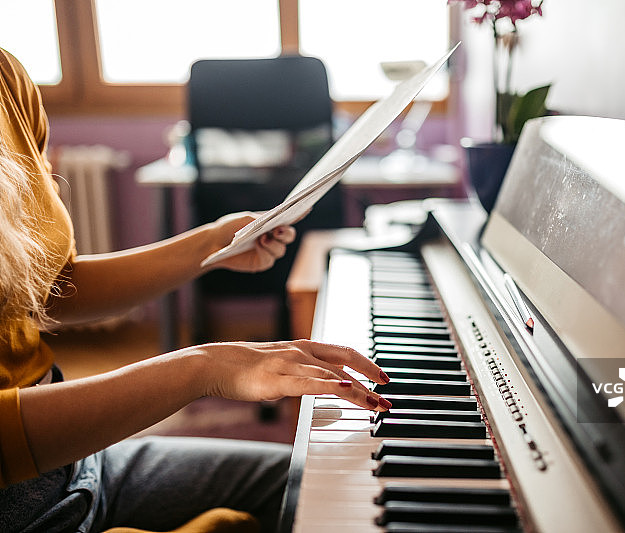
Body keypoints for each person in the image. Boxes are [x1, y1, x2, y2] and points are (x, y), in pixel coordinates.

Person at [0, 48, 391, 532]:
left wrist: (211, 243)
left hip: (76, 459)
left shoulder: (8, 80)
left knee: (339, 485)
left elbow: (48, 287)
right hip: (18, 505)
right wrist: (201, 368)